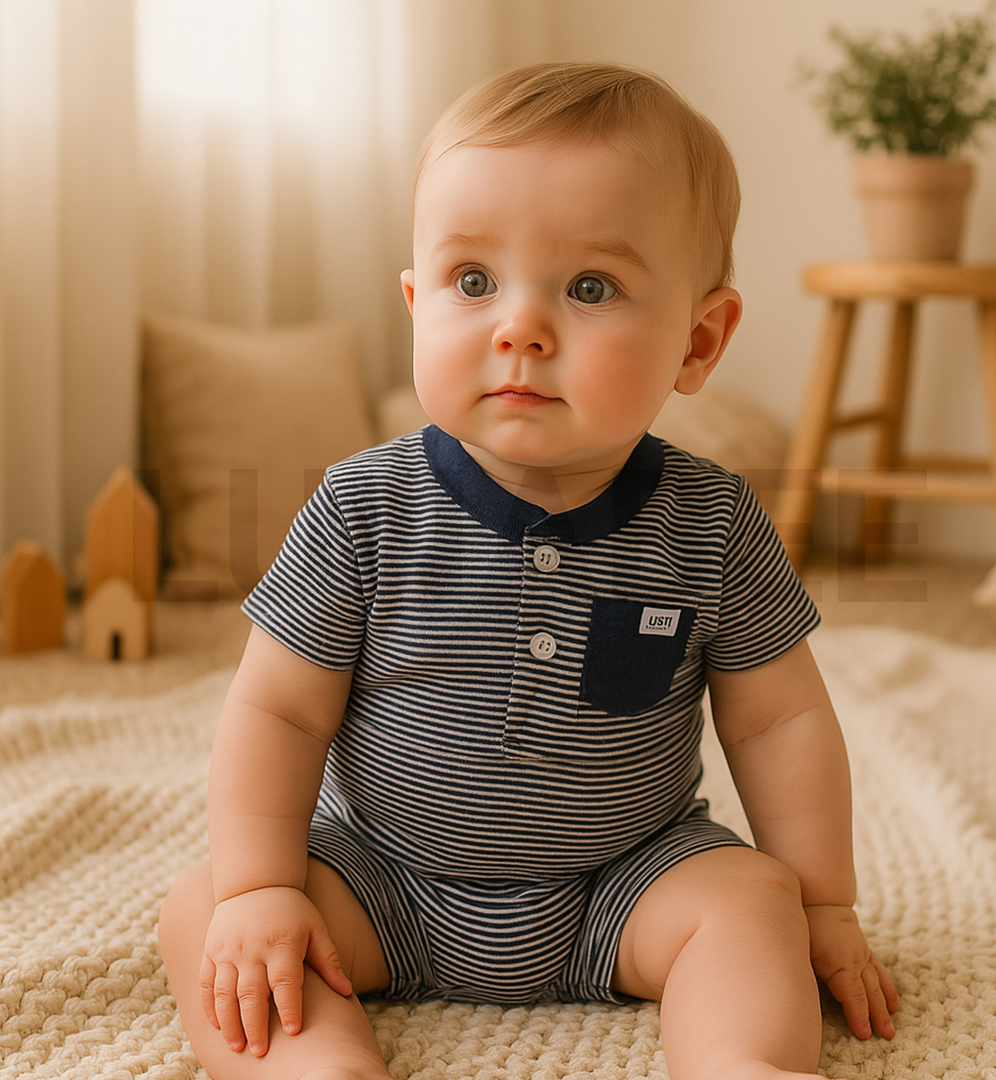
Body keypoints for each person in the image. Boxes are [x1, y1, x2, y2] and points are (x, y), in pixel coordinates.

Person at [159, 60, 899, 1080]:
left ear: (698, 340)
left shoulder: (713, 522)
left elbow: (780, 721)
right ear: (417, 304)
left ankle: (743, 1062)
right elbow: (278, 712)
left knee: (753, 901)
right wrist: (260, 888)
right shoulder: (361, 508)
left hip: (623, 884)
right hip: (382, 879)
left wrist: (824, 900)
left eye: (590, 288)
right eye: (473, 282)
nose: (520, 327)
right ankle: (318, 1066)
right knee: (208, 908)